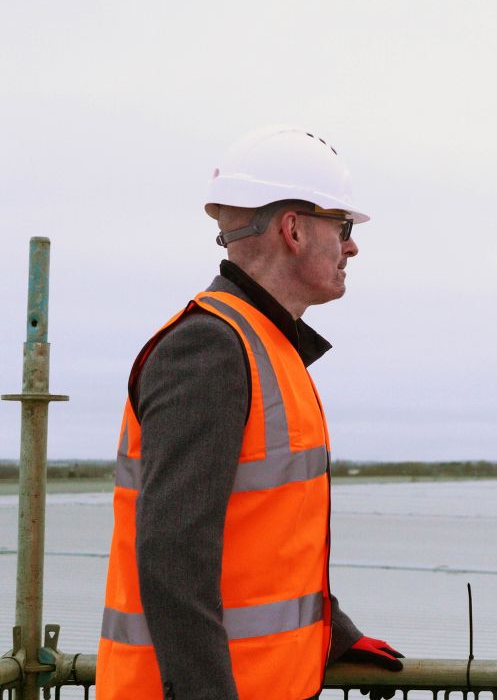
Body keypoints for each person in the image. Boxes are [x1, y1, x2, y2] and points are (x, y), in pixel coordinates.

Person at [97, 125, 403, 700]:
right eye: (343, 227)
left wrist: (334, 632)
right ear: (292, 229)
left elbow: (269, 539)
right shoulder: (211, 349)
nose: (353, 246)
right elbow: (173, 559)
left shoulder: (266, 344)